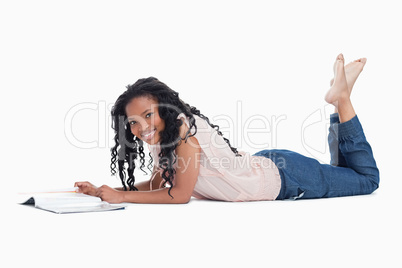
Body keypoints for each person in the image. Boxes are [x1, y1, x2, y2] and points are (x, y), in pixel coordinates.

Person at [75, 54, 380, 204]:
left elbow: (179, 195)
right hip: (267, 168)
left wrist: (122, 197)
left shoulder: (182, 132)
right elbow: (158, 185)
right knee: (341, 173)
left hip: (287, 178)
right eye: (133, 122)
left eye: (147, 115)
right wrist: (107, 191)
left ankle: (341, 100)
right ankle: (339, 104)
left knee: (366, 180)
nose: (140, 127)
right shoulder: (162, 137)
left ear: (165, 108)